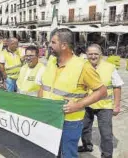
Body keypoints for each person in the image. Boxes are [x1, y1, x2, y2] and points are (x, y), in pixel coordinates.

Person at [38, 28, 107, 158]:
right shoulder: (52, 61)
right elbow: (44, 86)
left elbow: (102, 91)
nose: (49, 45)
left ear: (64, 45)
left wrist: (78, 105)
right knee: (52, 151)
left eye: (53, 42)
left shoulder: (83, 66)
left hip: (70, 121)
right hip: (50, 118)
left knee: (68, 154)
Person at [78, 44, 124, 158]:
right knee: (84, 128)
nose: (93, 56)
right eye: (90, 54)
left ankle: (107, 155)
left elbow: (117, 86)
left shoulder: (109, 67)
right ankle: (87, 146)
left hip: (105, 105)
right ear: (86, 55)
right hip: (87, 104)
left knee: (106, 133)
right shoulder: (83, 66)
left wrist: (117, 105)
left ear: (101, 55)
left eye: (96, 54)